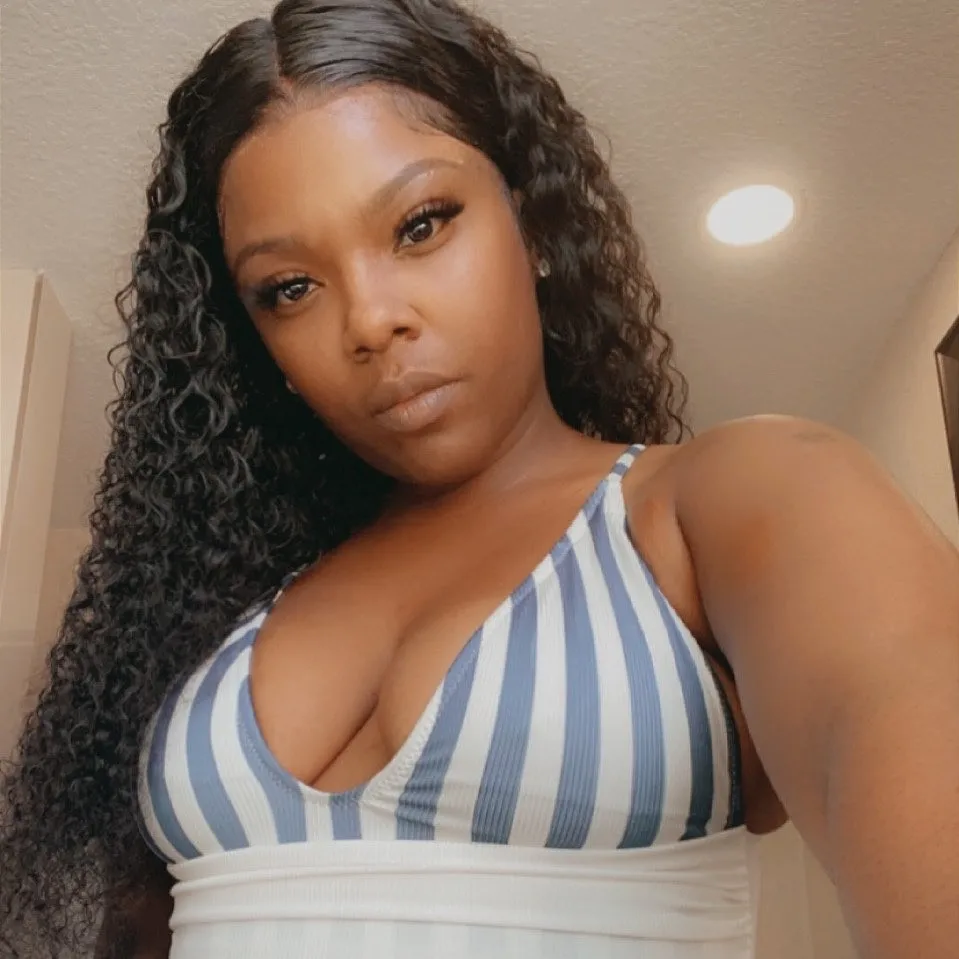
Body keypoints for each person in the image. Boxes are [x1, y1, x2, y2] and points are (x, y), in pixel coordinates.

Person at [1, 0, 957, 956]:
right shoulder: (216, 615)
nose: (369, 320)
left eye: (420, 224)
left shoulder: (736, 501)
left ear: (534, 224)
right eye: (290, 287)